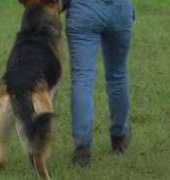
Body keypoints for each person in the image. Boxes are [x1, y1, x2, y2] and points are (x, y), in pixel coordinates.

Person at [64, 0, 135, 165]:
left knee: (82, 78)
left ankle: (82, 147)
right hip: (119, 8)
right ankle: (119, 136)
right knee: (118, 74)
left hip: (84, 10)